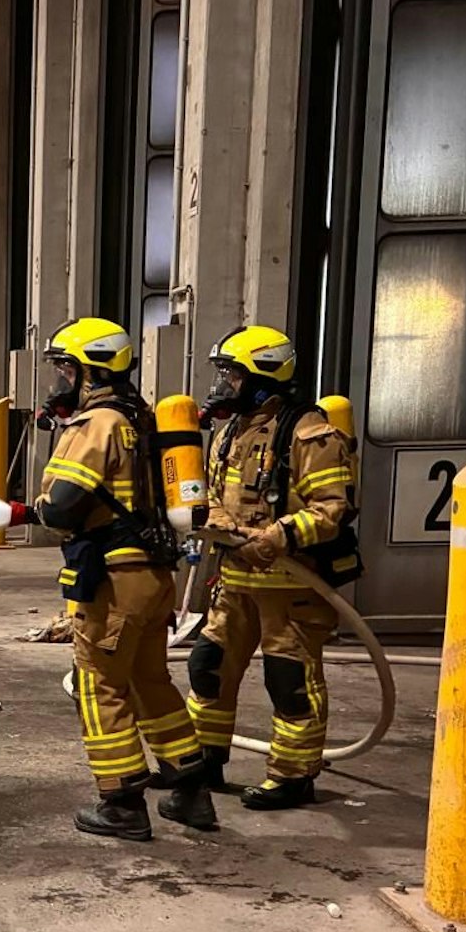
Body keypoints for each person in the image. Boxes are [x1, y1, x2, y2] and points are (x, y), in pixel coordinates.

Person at [8, 318, 214, 841]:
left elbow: (63, 505)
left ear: (90, 371)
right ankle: (191, 791)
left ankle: (122, 803)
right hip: (152, 577)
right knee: (151, 682)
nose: (59, 380)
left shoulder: (95, 424)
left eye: (64, 369)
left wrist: (37, 507)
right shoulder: (138, 418)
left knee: (99, 686)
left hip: (115, 581)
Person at [185, 325, 362, 811]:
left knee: (290, 680)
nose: (223, 385)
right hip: (237, 582)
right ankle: (206, 758)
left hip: (291, 586)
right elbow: (214, 496)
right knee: (209, 667)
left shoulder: (310, 435)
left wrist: (277, 536)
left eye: (232, 375)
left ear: (262, 378)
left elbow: (332, 509)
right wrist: (222, 526)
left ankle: (293, 775)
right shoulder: (229, 433)